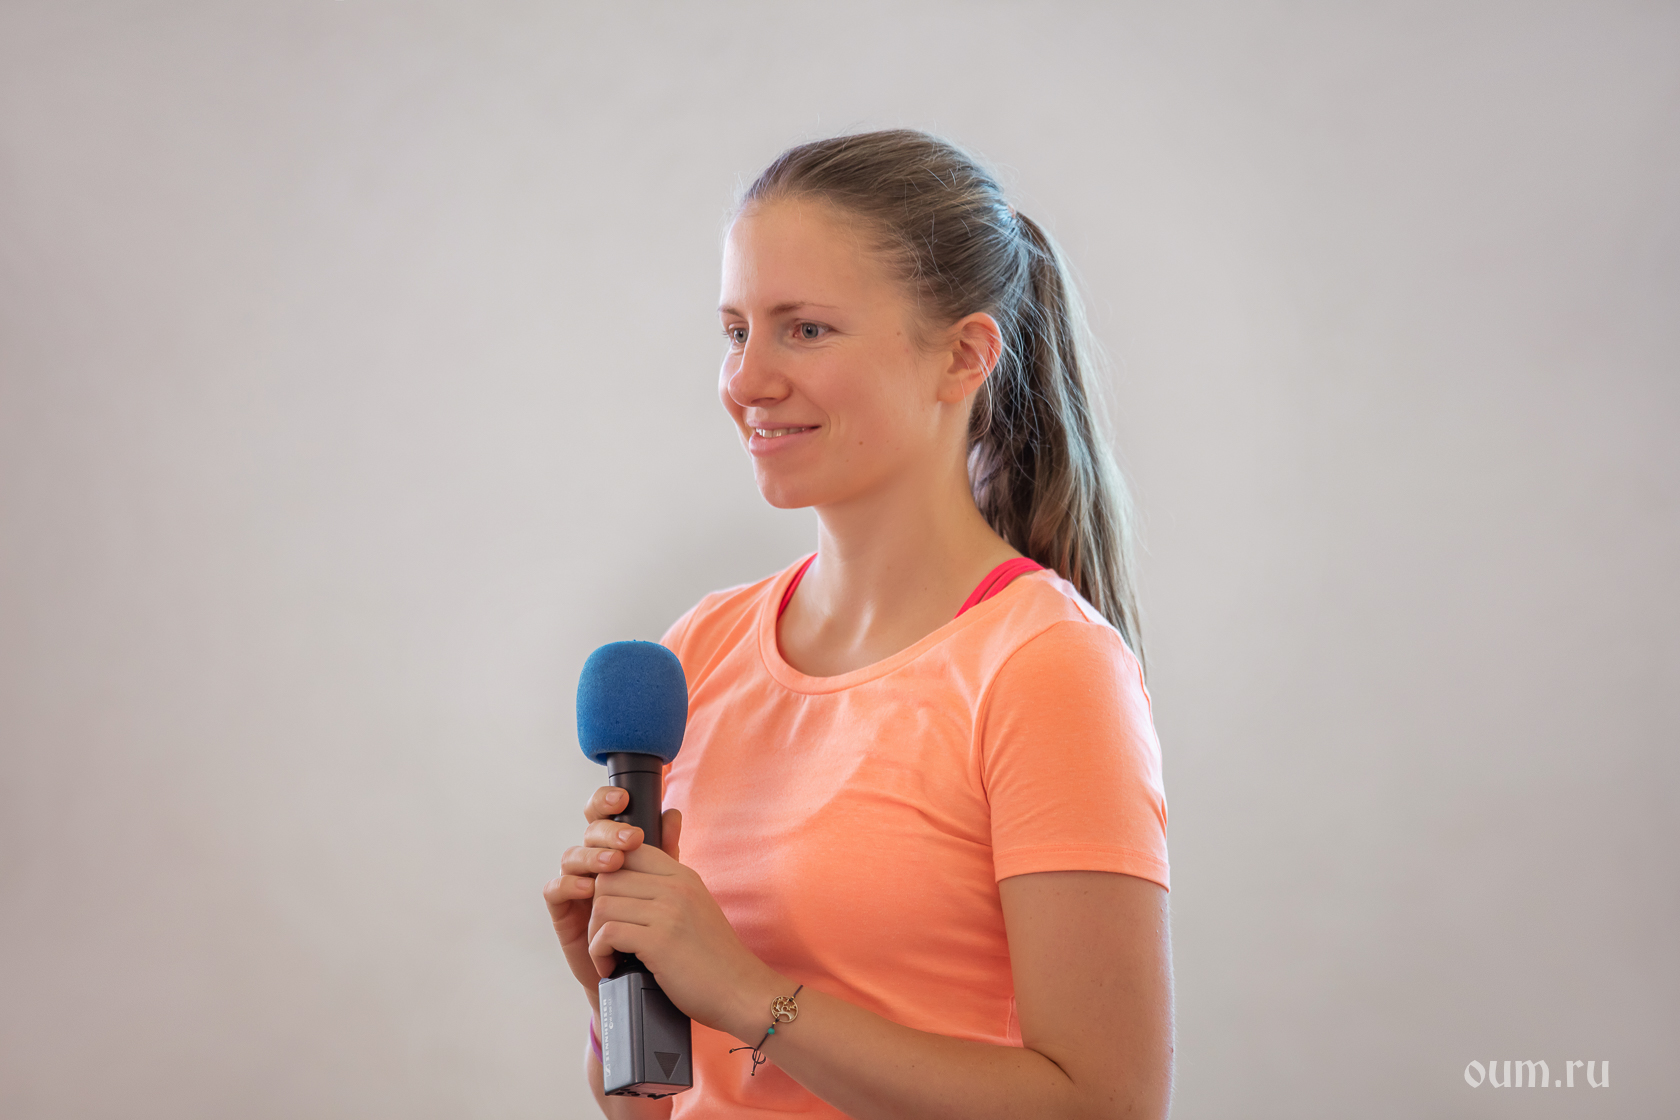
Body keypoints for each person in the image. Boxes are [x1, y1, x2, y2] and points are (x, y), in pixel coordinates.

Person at [544, 130, 1172, 1119]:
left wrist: (744, 993)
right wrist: (621, 995)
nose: (747, 380)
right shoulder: (698, 650)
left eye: (805, 330)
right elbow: (655, 1112)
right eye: (736, 331)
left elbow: (1106, 1104)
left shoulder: (1045, 665)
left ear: (963, 355)